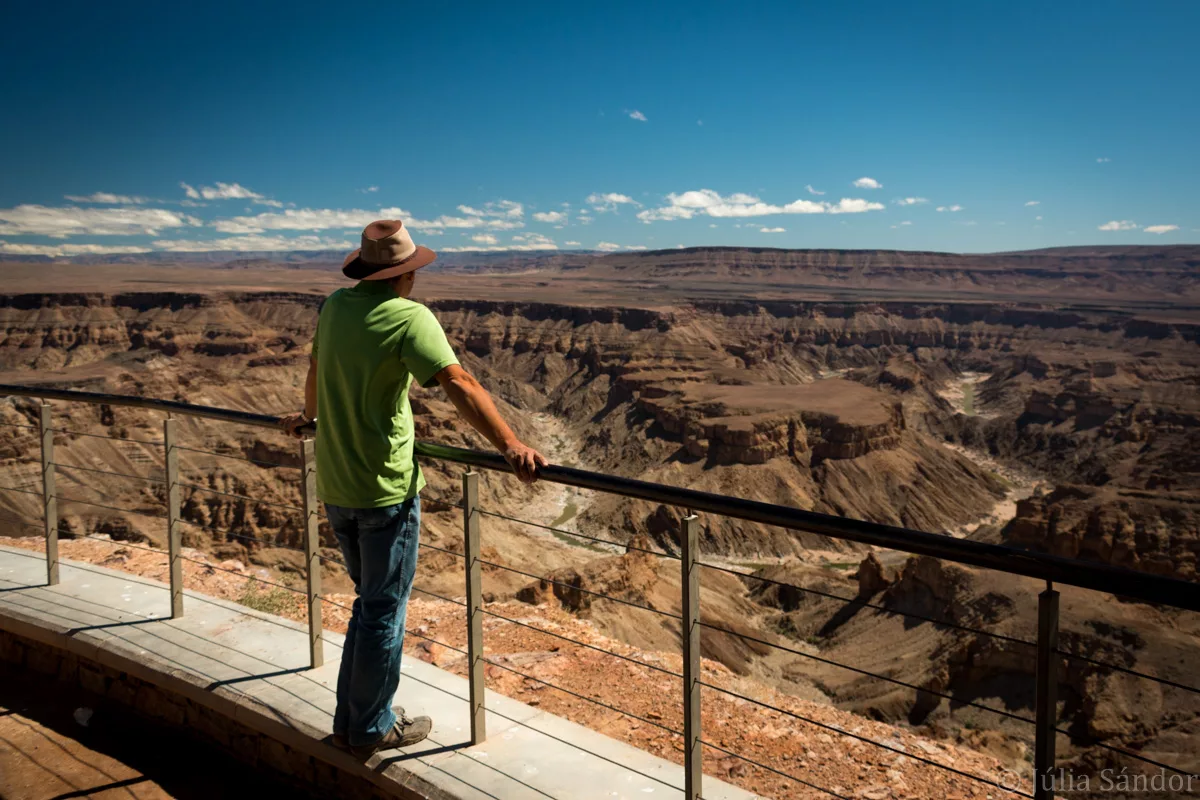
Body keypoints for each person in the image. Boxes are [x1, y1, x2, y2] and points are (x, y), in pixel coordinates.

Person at [280, 219, 546, 758]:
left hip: (335, 483)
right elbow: (459, 383)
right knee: (383, 611)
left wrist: (307, 417)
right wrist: (510, 442)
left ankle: (352, 721)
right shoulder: (409, 318)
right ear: (406, 274)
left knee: (368, 604)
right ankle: (372, 727)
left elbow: (315, 369)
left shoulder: (335, 306)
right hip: (385, 490)